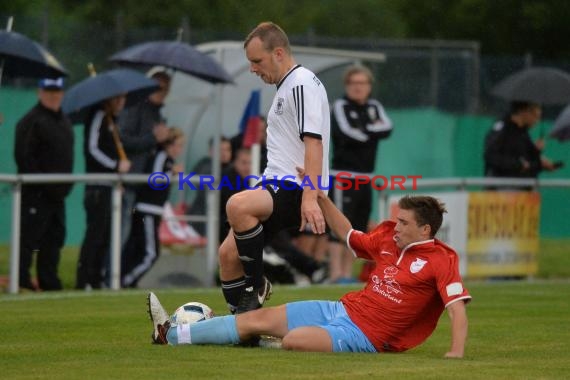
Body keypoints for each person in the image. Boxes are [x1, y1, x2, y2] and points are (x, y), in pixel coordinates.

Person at [147, 193, 471, 357]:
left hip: (366, 337)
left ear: (425, 229)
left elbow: (456, 309)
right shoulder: (388, 238)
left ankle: (234, 337)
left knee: (293, 341)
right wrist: (320, 198)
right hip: (341, 309)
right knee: (256, 319)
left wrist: (456, 353)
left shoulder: (441, 259)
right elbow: (347, 234)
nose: (395, 226)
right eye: (397, 220)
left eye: (404, 223)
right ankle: (170, 335)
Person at [218, 21, 330, 314]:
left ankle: (256, 287)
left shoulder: (301, 83)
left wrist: (309, 197)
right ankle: (244, 328)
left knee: (237, 205)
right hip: (276, 183)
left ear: (278, 53)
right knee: (228, 255)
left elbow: (313, 143)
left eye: (257, 61)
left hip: (294, 186)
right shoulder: (288, 86)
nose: (253, 69)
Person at [328, 64, 393, 284]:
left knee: (356, 227)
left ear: (369, 86)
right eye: (354, 83)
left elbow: (387, 128)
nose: (358, 87)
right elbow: (348, 133)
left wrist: (364, 128)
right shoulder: (339, 106)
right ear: (347, 86)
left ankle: (346, 274)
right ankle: (335, 273)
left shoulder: (374, 106)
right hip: (343, 176)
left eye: (362, 83)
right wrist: (369, 130)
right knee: (339, 224)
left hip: (366, 176)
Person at [14, 77, 74, 291]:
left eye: (57, 90)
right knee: (28, 240)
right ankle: (20, 281)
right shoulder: (31, 121)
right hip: (36, 194)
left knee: (53, 241)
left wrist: (62, 188)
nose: (53, 95)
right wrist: (43, 185)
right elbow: (24, 157)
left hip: (58, 195)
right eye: (49, 91)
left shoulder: (64, 121)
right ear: (39, 92)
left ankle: (49, 281)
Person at [76, 95, 131, 290]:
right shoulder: (98, 115)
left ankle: (96, 279)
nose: (120, 102)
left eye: (123, 98)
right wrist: (116, 165)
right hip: (97, 187)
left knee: (106, 236)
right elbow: (92, 149)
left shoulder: (113, 121)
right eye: (117, 98)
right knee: (95, 234)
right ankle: (84, 280)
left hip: (110, 186)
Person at [122, 128, 185, 288]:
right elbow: (155, 178)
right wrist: (173, 173)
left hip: (153, 210)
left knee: (139, 250)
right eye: (178, 145)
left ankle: (126, 280)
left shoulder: (167, 159)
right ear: (168, 145)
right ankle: (125, 281)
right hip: (147, 209)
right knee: (151, 253)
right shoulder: (161, 156)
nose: (180, 149)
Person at [118, 67, 171, 247]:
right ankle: (109, 273)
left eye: (165, 88)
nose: (161, 92)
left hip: (142, 185)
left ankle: (117, 273)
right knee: (120, 234)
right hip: (128, 181)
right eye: (158, 87)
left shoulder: (157, 114)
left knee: (131, 239)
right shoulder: (134, 108)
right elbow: (122, 140)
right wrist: (153, 138)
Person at [484, 101, 561, 186]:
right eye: (535, 116)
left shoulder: (523, 132)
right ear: (524, 112)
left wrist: (537, 154)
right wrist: (518, 165)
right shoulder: (502, 128)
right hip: (502, 189)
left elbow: (528, 161)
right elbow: (490, 156)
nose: (537, 121)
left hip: (523, 190)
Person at [187, 135, 232, 236]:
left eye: (228, 149)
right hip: (203, 221)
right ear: (212, 151)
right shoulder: (208, 169)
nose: (225, 153)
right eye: (221, 150)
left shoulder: (228, 169)